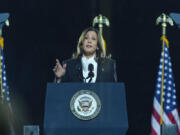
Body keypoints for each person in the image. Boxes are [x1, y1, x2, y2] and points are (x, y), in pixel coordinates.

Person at [53, 27, 117, 83]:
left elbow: (114, 91)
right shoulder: (68, 65)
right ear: (82, 44)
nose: (89, 41)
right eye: (86, 38)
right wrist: (59, 79)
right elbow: (59, 93)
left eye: (93, 39)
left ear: (98, 46)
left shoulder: (109, 65)